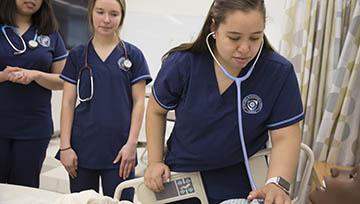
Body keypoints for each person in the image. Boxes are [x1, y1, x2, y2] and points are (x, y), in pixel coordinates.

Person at [144, 0, 304, 204]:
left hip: (242, 182)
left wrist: (276, 183)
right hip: (182, 177)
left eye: (255, 37)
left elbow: (285, 137)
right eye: (234, 37)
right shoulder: (183, 64)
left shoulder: (278, 73)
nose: (245, 48)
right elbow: (156, 111)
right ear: (214, 27)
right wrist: (155, 161)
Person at [58, 0, 152, 200]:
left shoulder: (133, 55)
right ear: (91, 12)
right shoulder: (77, 55)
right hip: (82, 149)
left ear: (122, 17)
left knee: (120, 200)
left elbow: (138, 102)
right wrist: (65, 146)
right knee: (83, 201)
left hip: (120, 151)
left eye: (114, 14)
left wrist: (131, 145)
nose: (106, 20)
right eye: (100, 12)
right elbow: (67, 103)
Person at [0, 0, 67, 188]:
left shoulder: (50, 34)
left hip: (33, 128)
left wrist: (36, 75)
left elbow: (63, 80)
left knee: (25, 189)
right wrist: (4, 76)